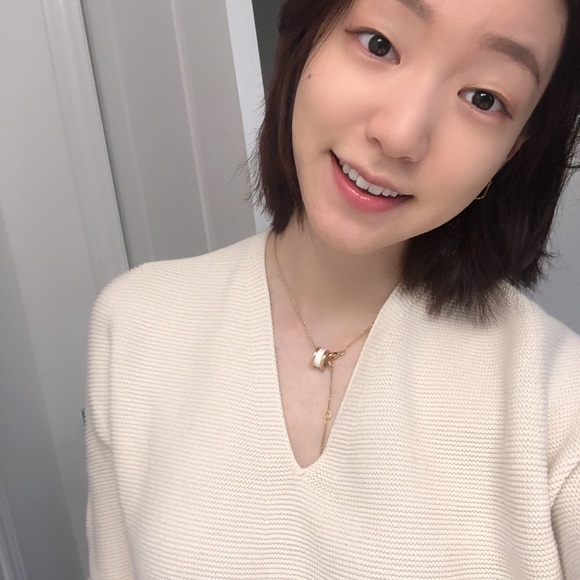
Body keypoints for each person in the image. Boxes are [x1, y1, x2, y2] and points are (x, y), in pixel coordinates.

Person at [85, 0, 580, 577]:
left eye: (484, 98)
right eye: (378, 44)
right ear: (306, 30)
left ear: (513, 149)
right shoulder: (134, 326)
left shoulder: (558, 402)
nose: (401, 135)